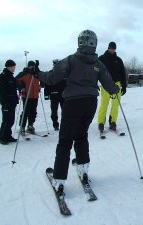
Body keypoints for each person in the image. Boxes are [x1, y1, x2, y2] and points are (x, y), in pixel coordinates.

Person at [34, 30, 119, 194]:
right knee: (81, 135)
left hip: (73, 102)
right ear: (94, 44)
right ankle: (83, 169)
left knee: (65, 140)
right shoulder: (98, 63)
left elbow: (52, 78)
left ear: (79, 43)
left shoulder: (71, 60)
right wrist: (116, 89)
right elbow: (109, 84)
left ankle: (59, 179)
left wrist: (37, 74)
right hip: (90, 103)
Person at [97, 41, 127, 132]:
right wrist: (94, 83)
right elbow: (96, 71)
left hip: (117, 84)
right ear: (108, 48)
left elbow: (122, 73)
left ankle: (113, 122)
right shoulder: (101, 58)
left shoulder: (118, 60)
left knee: (115, 105)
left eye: (113, 49)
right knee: (104, 104)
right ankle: (101, 123)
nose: (112, 50)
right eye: (111, 48)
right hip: (105, 84)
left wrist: (124, 86)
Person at [0, 60, 19, 145]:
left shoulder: (11, 77)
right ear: (9, 67)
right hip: (6, 102)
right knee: (6, 120)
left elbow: (14, 89)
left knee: (11, 120)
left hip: (12, 102)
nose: (14, 68)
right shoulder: (2, 76)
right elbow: (2, 91)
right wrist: (5, 102)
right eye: (13, 67)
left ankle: (8, 136)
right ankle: (3, 137)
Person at [16, 61, 40, 135]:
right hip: (27, 95)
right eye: (31, 66)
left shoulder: (36, 74)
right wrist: (21, 87)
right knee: (26, 111)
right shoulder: (24, 73)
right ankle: (22, 126)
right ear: (28, 66)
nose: (32, 68)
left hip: (35, 95)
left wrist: (39, 86)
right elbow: (16, 80)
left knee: (33, 111)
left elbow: (41, 80)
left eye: (33, 66)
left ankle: (30, 125)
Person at [44, 60, 66, 130]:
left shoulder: (64, 74)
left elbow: (68, 84)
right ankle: (55, 124)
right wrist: (46, 95)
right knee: (54, 112)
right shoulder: (50, 74)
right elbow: (47, 84)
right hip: (54, 96)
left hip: (63, 96)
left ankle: (64, 124)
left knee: (65, 111)